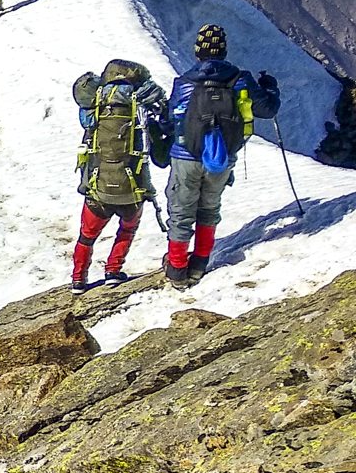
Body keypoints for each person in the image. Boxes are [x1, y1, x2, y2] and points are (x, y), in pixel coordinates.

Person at [162, 23, 280, 287]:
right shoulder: (240, 79)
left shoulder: (184, 82)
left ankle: (177, 270)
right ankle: (199, 265)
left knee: (181, 212)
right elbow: (267, 109)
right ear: (224, 51)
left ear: (197, 52)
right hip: (222, 156)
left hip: (186, 155)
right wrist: (270, 87)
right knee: (209, 209)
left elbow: (171, 117)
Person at [69, 59, 168, 292]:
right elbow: (159, 154)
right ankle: (113, 270)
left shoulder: (95, 106)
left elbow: (86, 124)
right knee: (127, 229)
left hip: (97, 185)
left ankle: (78, 279)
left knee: (86, 236)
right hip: (131, 188)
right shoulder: (140, 110)